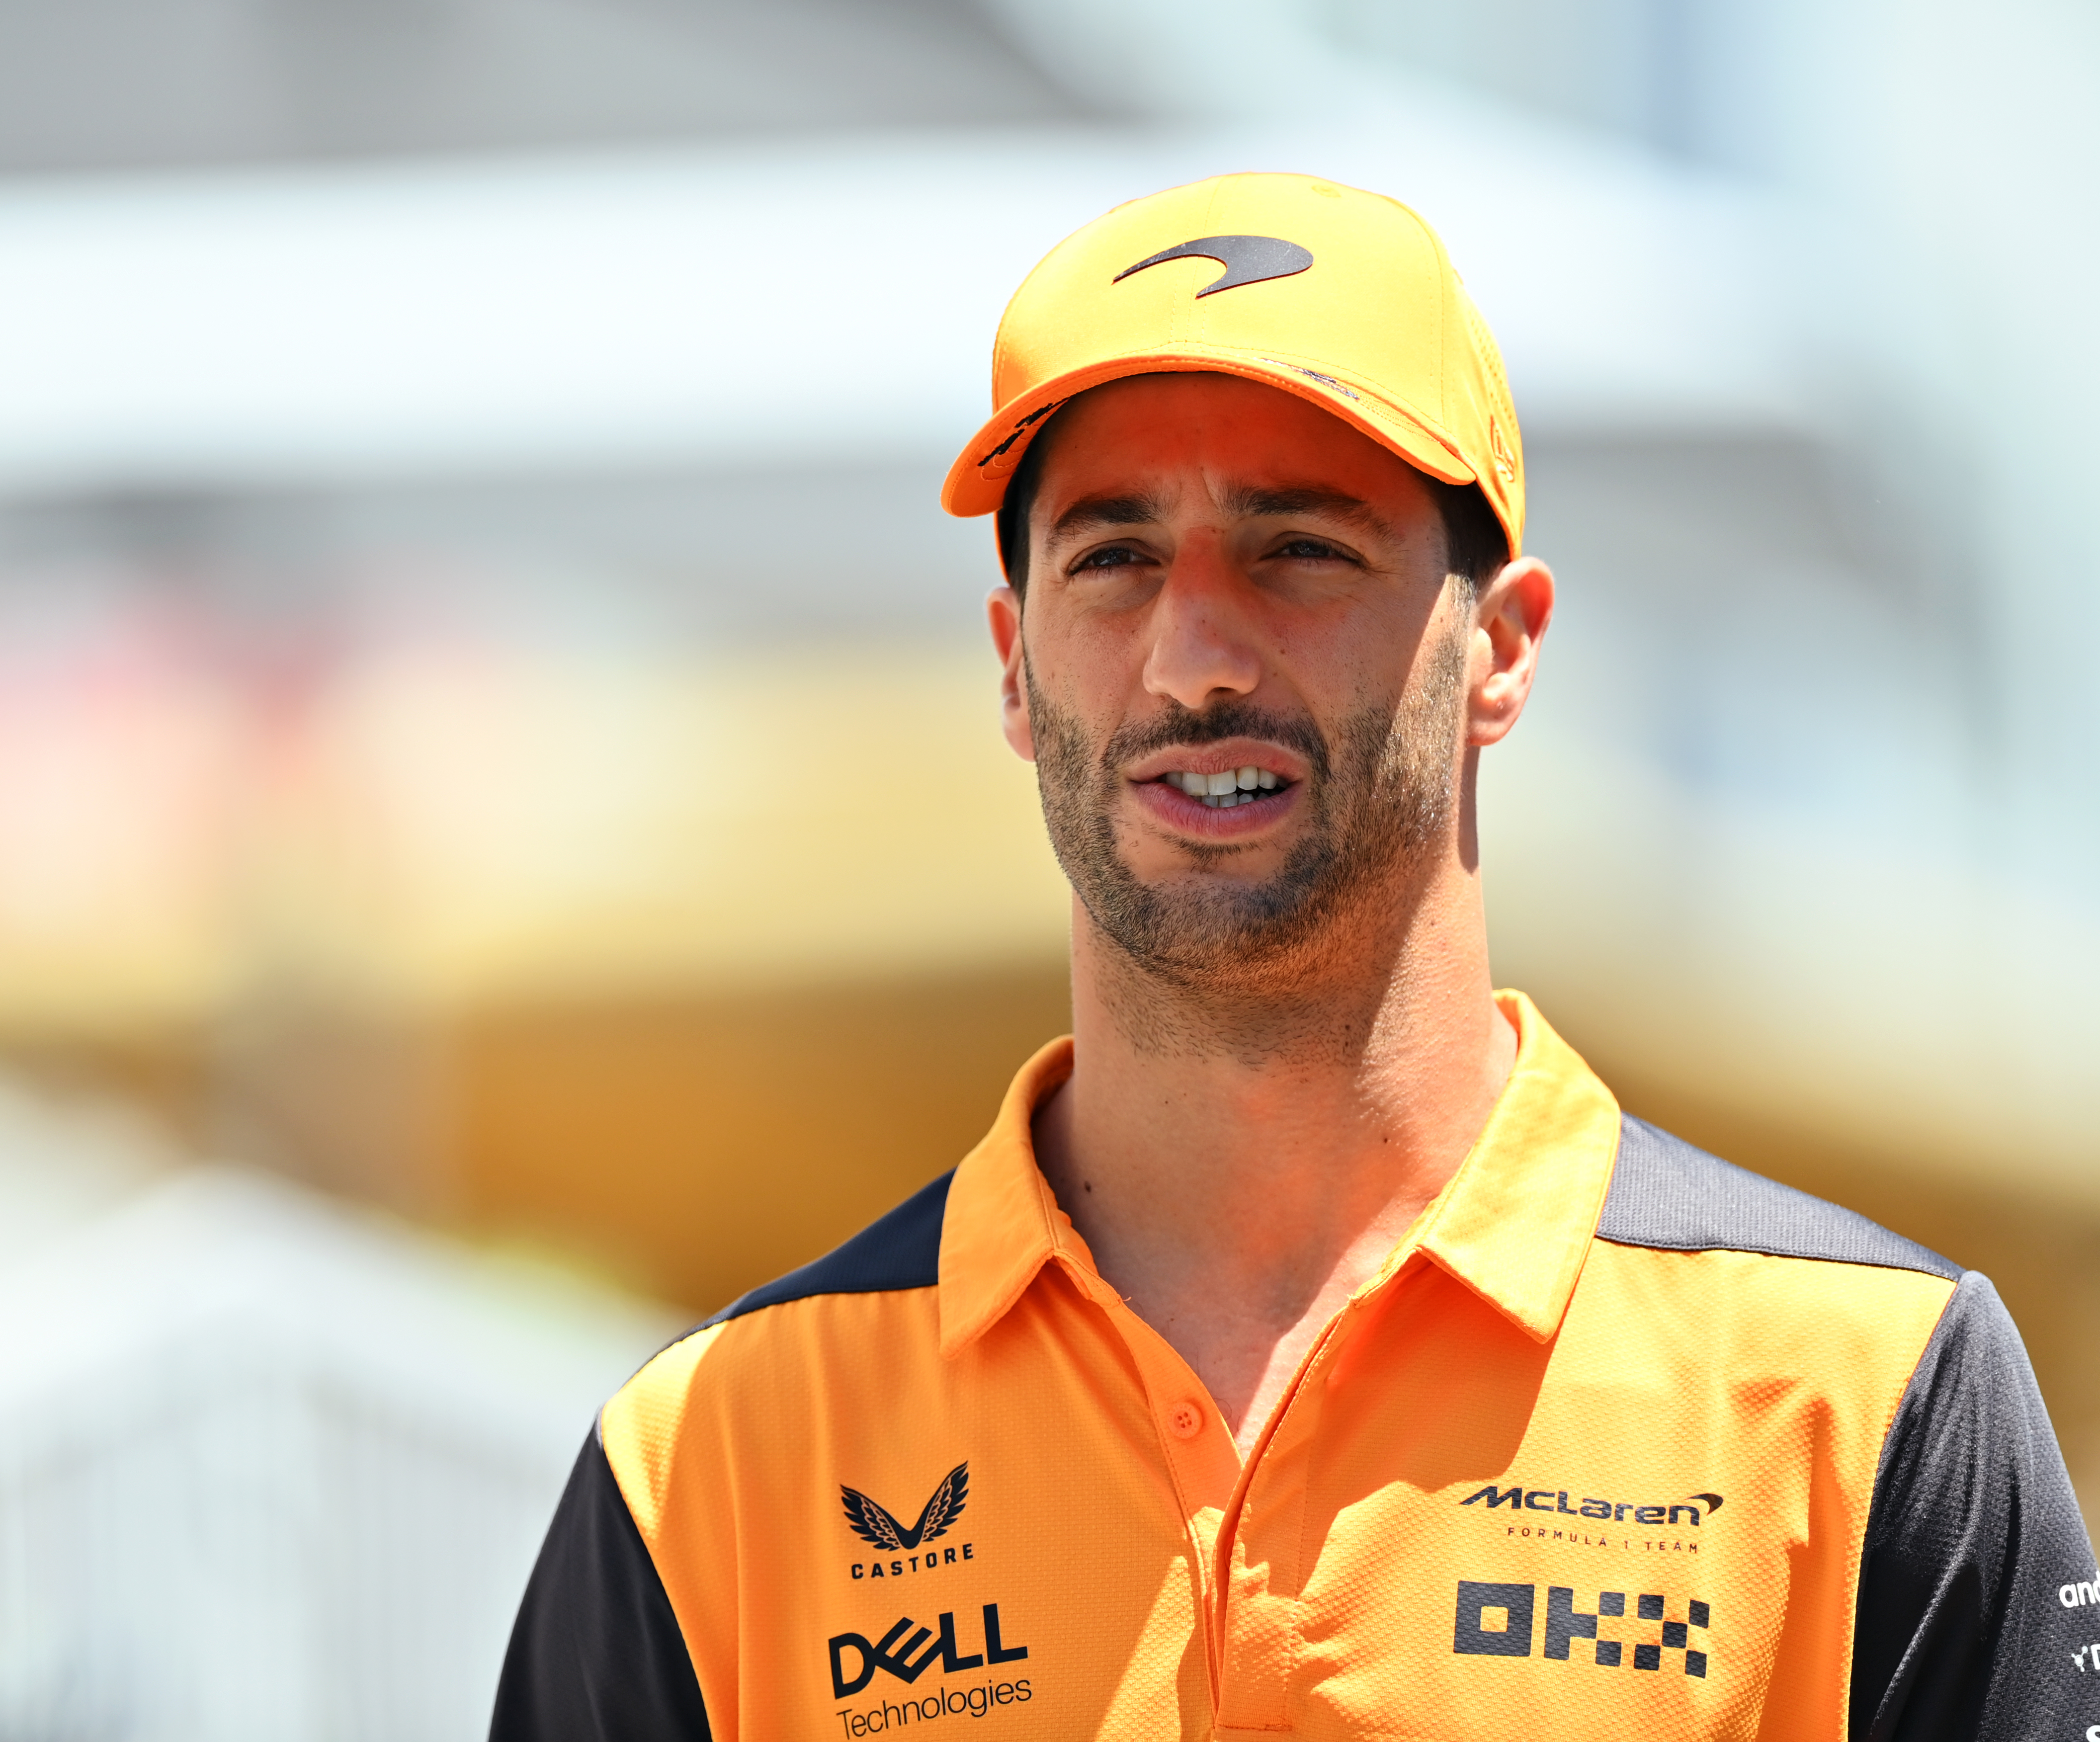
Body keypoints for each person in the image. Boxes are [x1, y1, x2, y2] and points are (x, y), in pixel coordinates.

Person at [488, 173, 2097, 1741]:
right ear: (1011, 663)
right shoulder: (711, 1458)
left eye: (1299, 550)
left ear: (1504, 648)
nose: (1193, 659)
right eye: (1111, 559)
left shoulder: (1857, 1392)